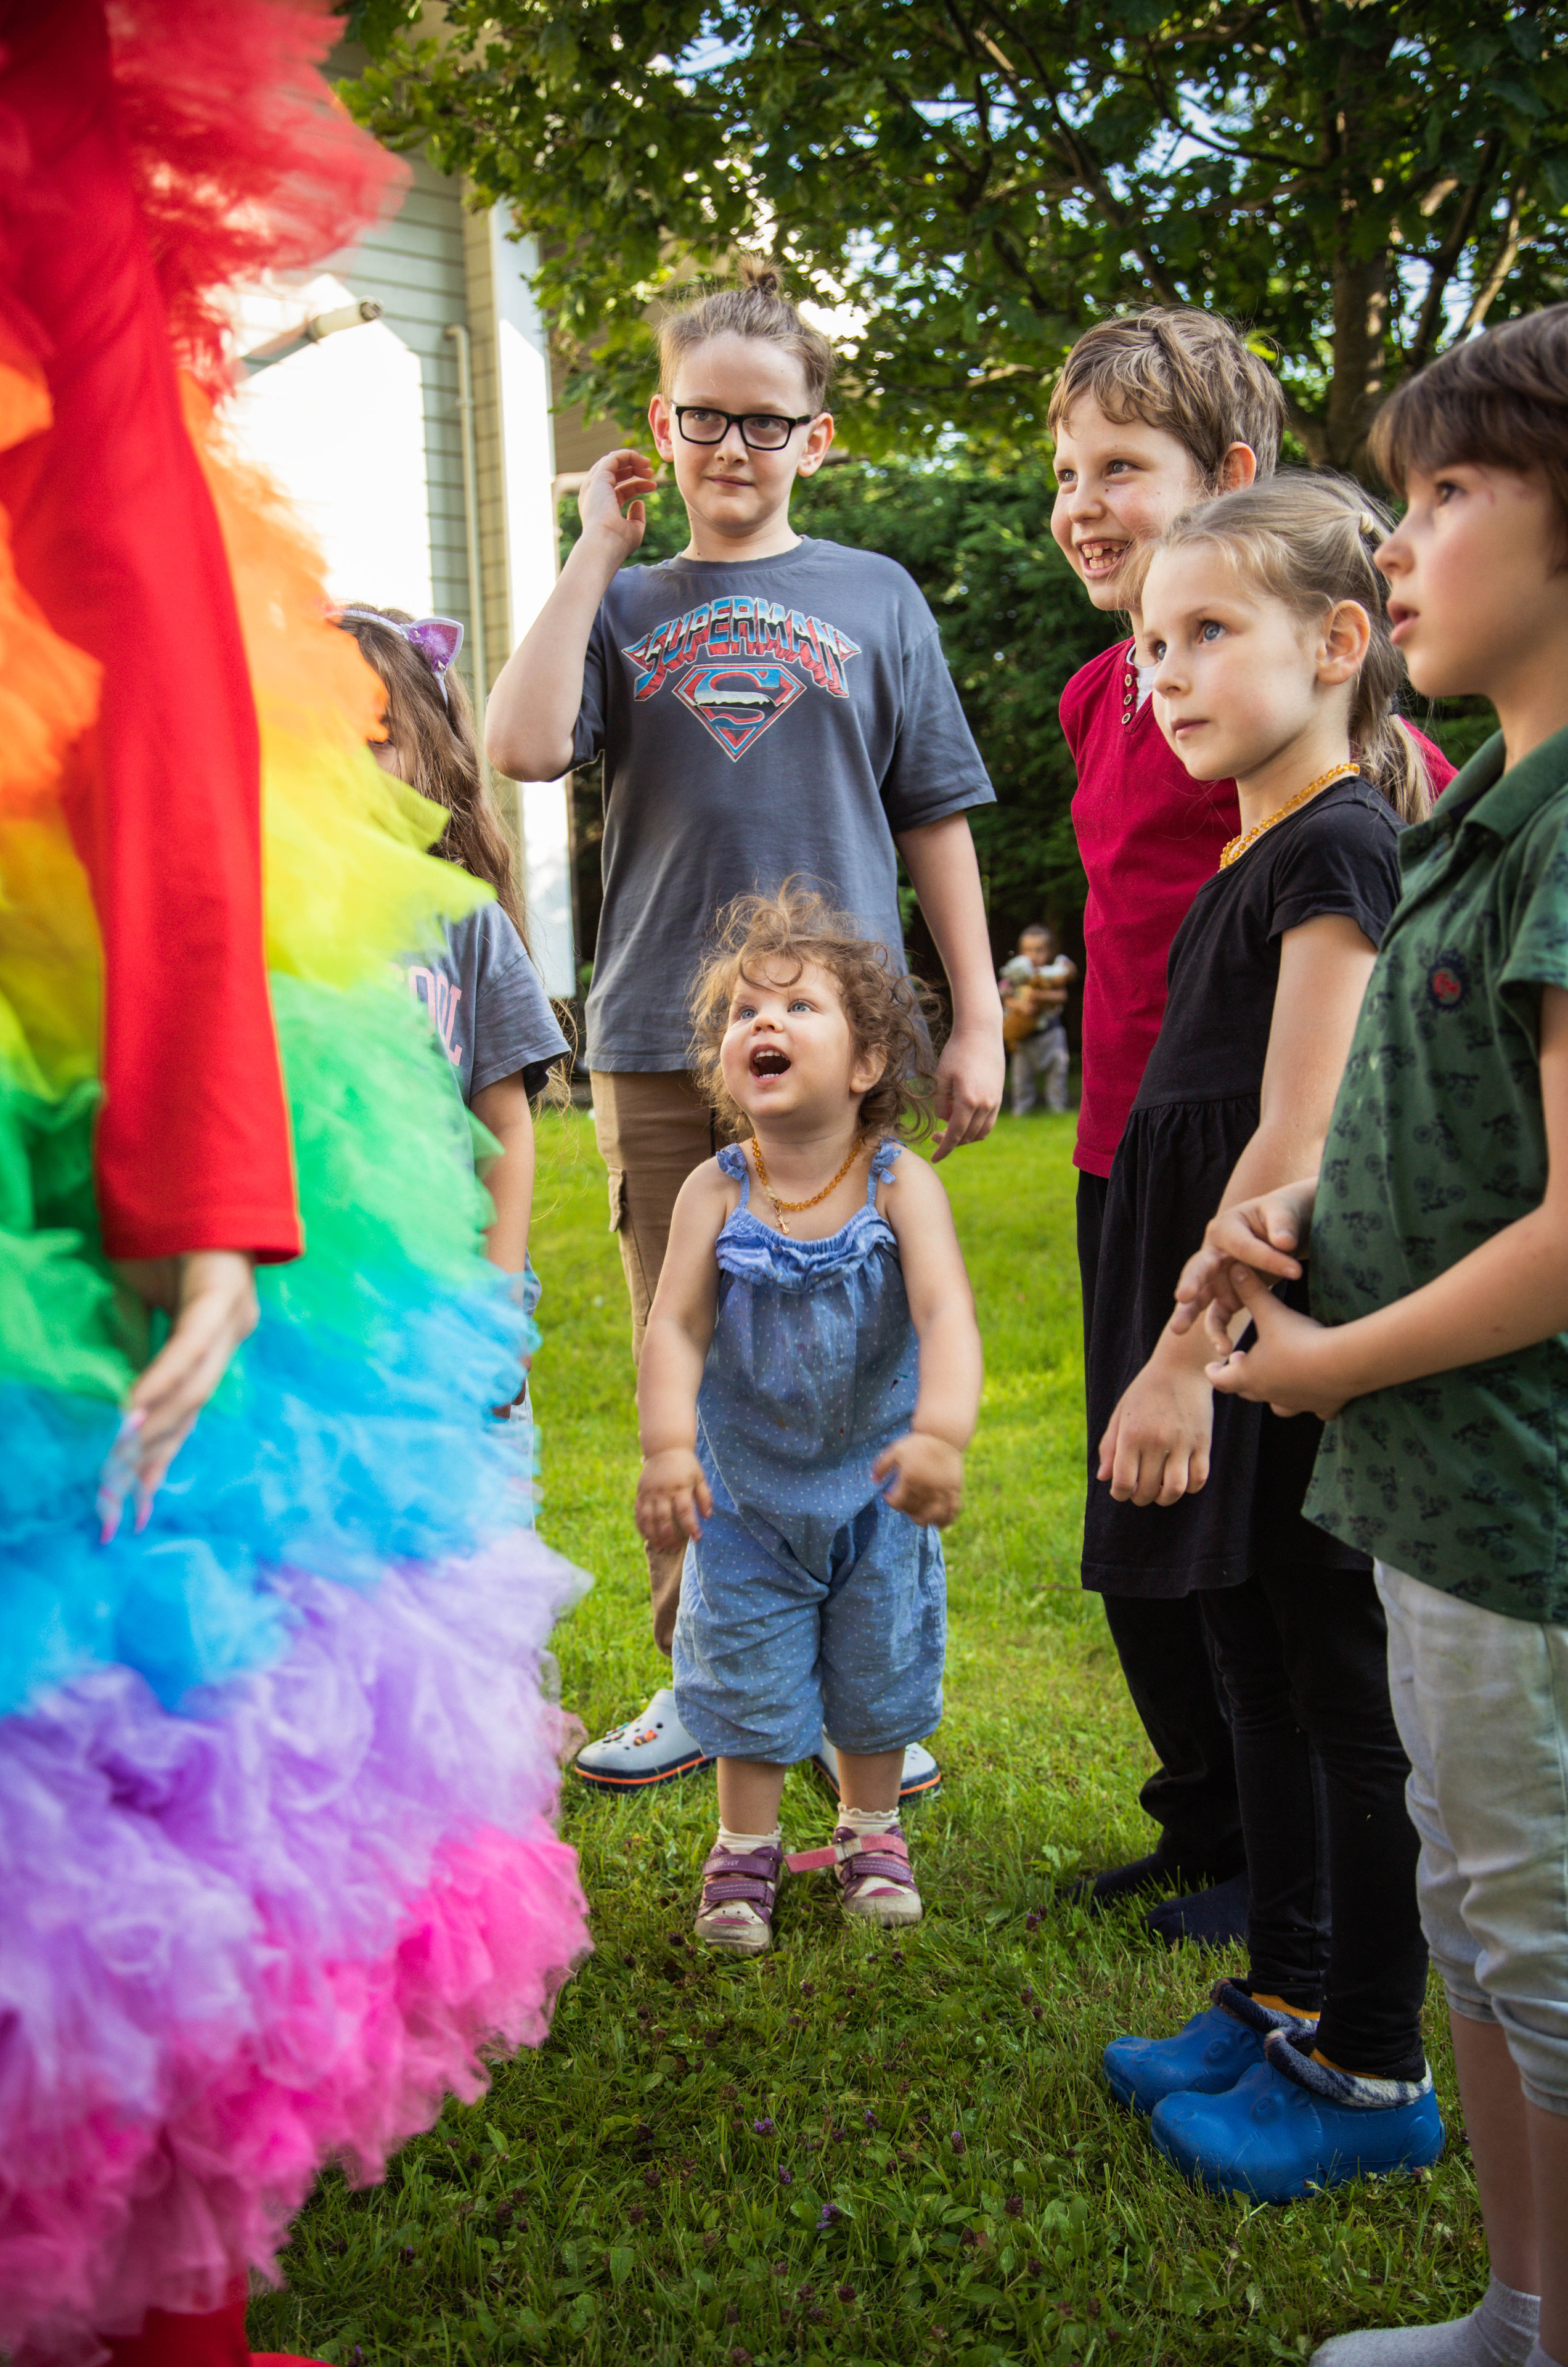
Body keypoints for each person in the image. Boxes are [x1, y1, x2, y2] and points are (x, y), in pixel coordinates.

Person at [0, 12, 587, 2366]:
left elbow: (140, 581)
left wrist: (208, 1169)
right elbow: (135, 574)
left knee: (116, 1641)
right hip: (65, 976)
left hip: (51, 968)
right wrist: (198, 1176)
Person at [1173, 308, 1568, 2367]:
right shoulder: (1488, 799)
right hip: (1432, 1486)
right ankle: (1516, 2306)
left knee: (1541, 1932)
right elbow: (1456, 1137)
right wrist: (1306, 1210)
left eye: (1448, 492)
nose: (1398, 541)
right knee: (1478, 1915)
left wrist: (1330, 1365)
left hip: (1516, 1503)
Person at [486, 256, 1002, 1796]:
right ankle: (710, 1681)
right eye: (701, 416)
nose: (730, 445)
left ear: (813, 439)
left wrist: (973, 1015)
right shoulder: (621, 600)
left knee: (853, 1367)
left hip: (843, 1051)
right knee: (692, 1359)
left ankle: (862, 1699)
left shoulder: (875, 595)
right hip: (662, 1033)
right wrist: (593, 547)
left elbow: (934, 813)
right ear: (659, 423)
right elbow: (520, 744)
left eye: (764, 422)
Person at [1050, 309, 1455, 1948]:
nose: (1080, 505)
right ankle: (1210, 1816)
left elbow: (1404, 856)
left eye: (1119, 470)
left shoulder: (1317, 745)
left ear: (1226, 475)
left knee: (1268, 1549)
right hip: (1128, 1144)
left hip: (1260, 1155)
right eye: (1064, 474)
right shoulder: (1106, 692)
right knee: (1150, 1515)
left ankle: (1291, 1885)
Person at [1088, 473, 1441, 2203]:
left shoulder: (1338, 845)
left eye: (1208, 632)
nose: (1166, 672)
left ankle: (1369, 2056)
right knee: (1247, 1656)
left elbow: (1294, 1136)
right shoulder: (1252, 848)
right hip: (1216, 1309)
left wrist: (1182, 1351)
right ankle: (1286, 1989)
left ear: (1336, 641)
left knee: (1326, 1672)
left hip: (1269, 1319)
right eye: (1151, 644)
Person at [632, 888, 981, 1952]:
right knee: (744, 1665)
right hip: (747, 1501)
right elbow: (674, 1326)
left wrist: (941, 1435)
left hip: (876, 1494)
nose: (763, 1024)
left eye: (796, 1007)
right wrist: (669, 1448)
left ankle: (871, 1830)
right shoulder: (714, 1191)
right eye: (744, 1011)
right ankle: (745, 1850)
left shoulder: (898, 1186)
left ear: (867, 1062)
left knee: (879, 1662)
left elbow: (946, 1313)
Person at [335, 603, 570, 1474]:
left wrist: (497, 1304)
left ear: (431, 756)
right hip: (317, 1303)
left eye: (378, 738)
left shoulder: (464, 926)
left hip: (447, 1297)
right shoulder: (259, 926)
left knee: (463, 1514)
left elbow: (504, 1125)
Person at [1000, 923, 1075, 1114]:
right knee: (1021, 1076)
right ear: (1020, 952)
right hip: (1024, 1036)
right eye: (1028, 950)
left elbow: (1062, 996)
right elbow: (1005, 997)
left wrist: (1039, 996)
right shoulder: (1015, 976)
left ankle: (1057, 1107)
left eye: (1039, 950)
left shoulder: (1052, 975)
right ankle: (1021, 1108)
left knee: (1057, 1071)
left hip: (1051, 1033)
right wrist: (1020, 1006)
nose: (1033, 956)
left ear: (1049, 952)